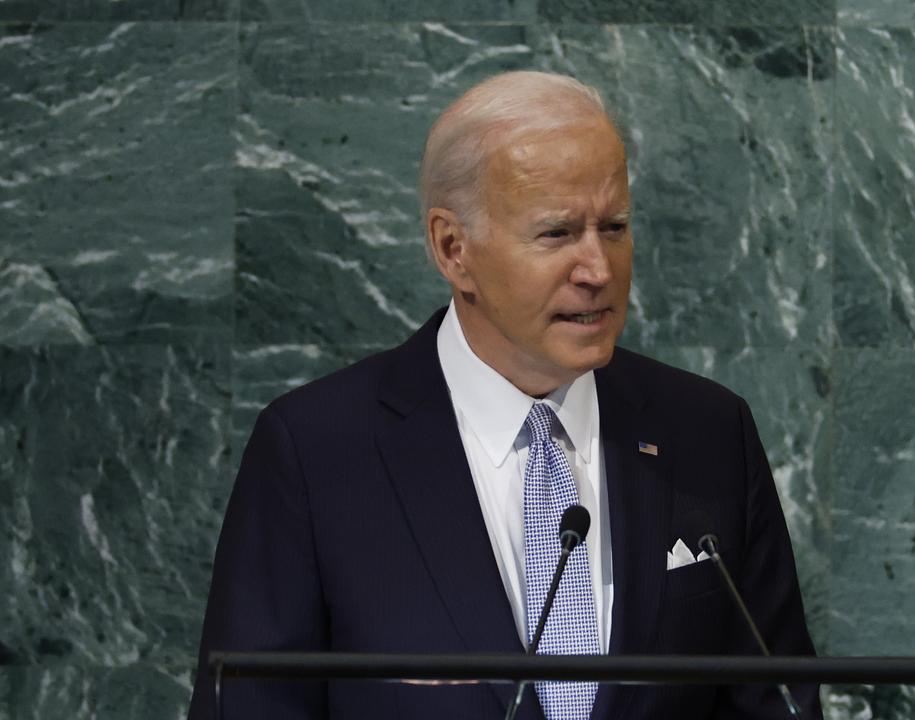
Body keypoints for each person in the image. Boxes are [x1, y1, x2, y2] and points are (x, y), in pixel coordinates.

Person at [188, 70, 819, 720]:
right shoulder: (317, 452)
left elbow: (777, 705)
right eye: (556, 234)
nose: (598, 270)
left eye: (615, 226)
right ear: (452, 248)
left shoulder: (708, 434)